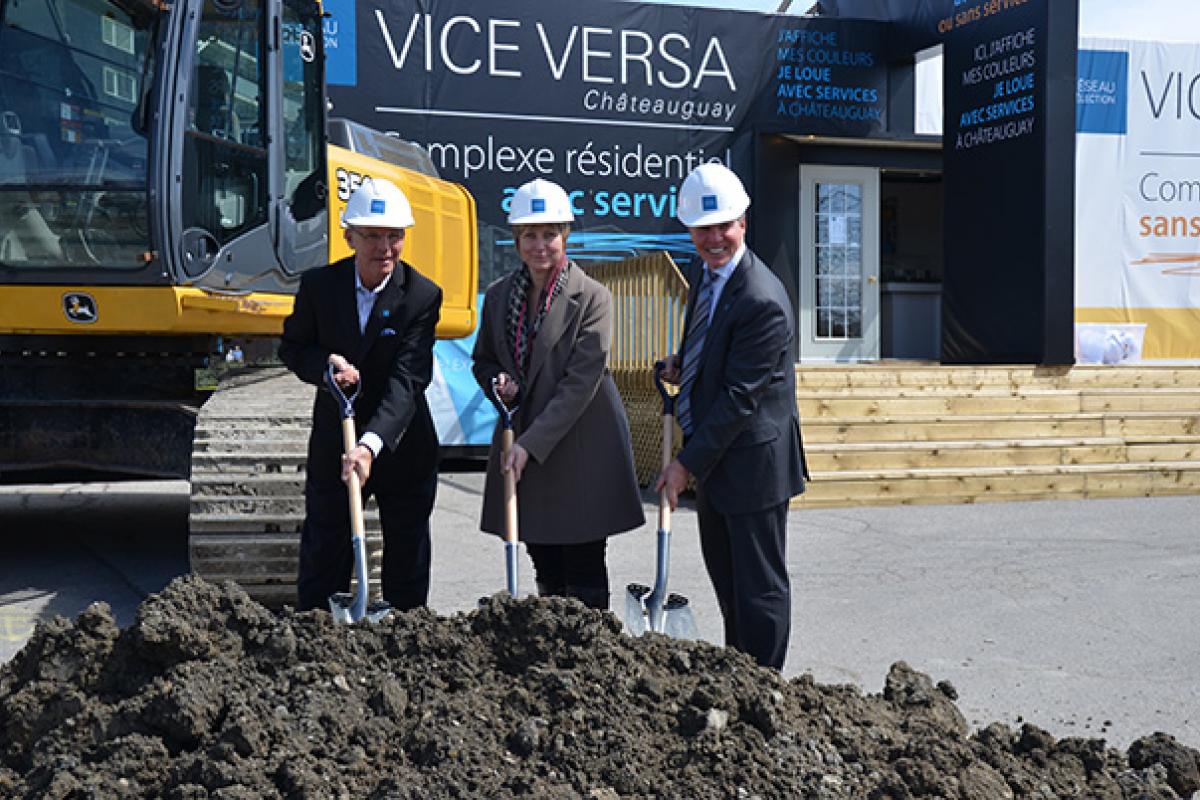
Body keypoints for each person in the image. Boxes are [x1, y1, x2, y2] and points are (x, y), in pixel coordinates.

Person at [656, 163, 808, 669]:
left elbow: (742, 397)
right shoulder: (706, 271)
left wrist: (684, 465)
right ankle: (738, 673)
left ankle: (765, 686)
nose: (714, 237)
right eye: (703, 228)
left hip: (753, 464)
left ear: (744, 221)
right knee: (727, 582)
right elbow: (713, 342)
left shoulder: (760, 298)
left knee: (758, 589)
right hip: (721, 458)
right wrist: (686, 367)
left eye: (724, 225)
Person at [472, 178, 643, 610]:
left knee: (583, 562)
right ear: (516, 239)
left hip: (581, 448)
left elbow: (580, 383)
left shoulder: (593, 297)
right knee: (542, 557)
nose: (540, 245)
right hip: (525, 446)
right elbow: (484, 360)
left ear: (565, 235)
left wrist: (531, 444)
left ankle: (590, 650)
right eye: (530, 235)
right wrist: (497, 383)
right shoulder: (498, 298)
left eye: (550, 234)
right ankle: (548, 640)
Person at [279, 177, 441, 612]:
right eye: (372, 236)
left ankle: (406, 641)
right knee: (326, 543)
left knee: (407, 550)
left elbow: (407, 381)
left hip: (401, 443)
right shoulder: (319, 288)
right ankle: (317, 635)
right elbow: (293, 347)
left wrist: (370, 446)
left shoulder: (421, 296)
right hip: (337, 436)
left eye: (394, 237)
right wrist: (324, 368)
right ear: (349, 236)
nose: (384, 248)